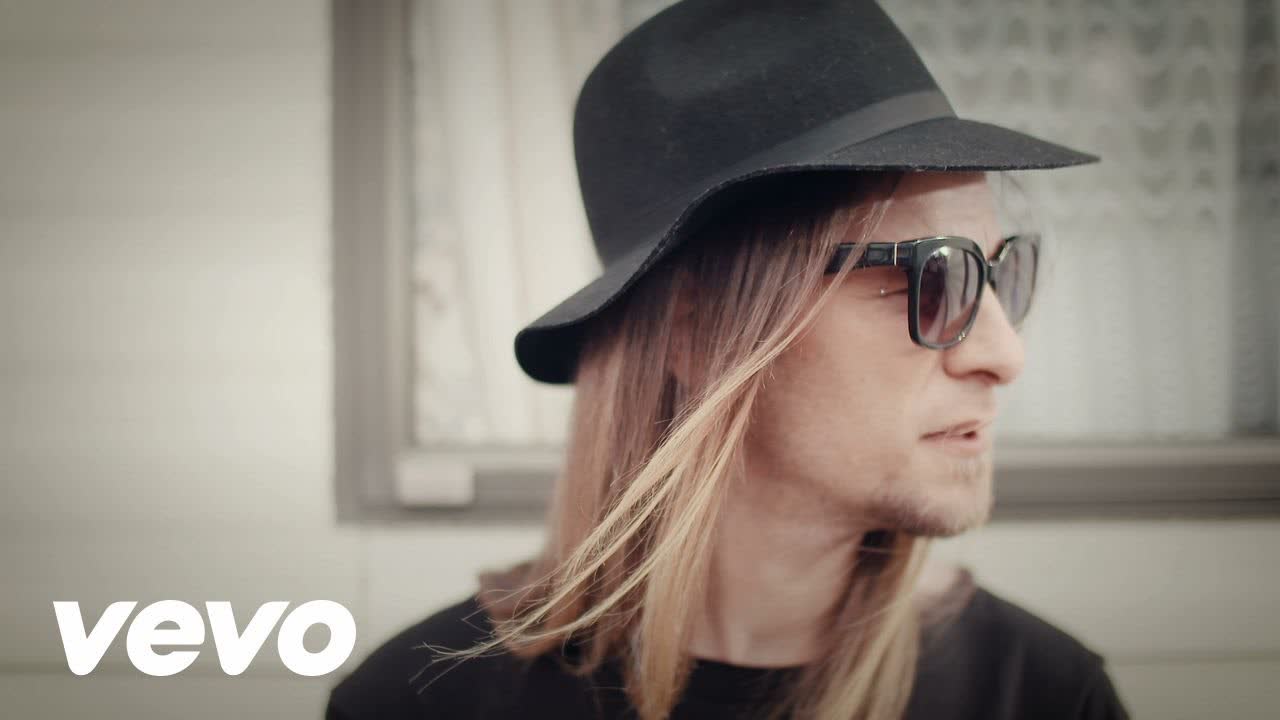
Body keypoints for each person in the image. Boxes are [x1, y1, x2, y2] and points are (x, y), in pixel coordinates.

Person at [327, 1, 1131, 718]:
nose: (1004, 353)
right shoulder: (418, 705)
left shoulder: (1041, 696)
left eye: (1001, 273)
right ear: (697, 330)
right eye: (933, 278)